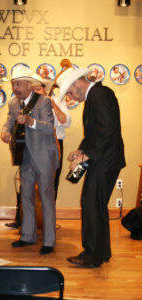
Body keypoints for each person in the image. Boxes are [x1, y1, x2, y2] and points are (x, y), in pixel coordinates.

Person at [56, 65, 126, 267]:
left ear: (77, 83)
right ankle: (101, 252)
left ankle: (92, 255)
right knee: (96, 205)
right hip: (105, 159)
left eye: (69, 91)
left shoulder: (98, 94)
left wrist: (87, 154)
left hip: (106, 160)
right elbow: (97, 132)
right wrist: (81, 150)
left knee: (91, 203)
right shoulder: (97, 94)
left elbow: (107, 130)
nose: (70, 96)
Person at [1, 65, 59, 255]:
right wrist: (6, 131)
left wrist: (30, 121)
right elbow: (10, 120)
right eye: (13, 84)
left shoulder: (43, 102)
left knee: (46, 198)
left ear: (28, 85)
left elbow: (48, 127)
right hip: (24, 156)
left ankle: (49, 241)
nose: (15, 88)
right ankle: (27, 236)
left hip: (43, 156)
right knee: (25, 197)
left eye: (18, 84)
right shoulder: (13, 103)